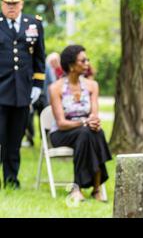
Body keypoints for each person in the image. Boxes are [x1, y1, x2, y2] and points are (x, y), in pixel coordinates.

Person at [49, 45, 112, 202]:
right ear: (71, 65)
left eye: (87, 60)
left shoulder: (92, 86)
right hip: (61, 133)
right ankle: (93, 189)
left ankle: (80, 189)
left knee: (95, 132)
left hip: (84, 133)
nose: (87, 63)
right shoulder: (55, 88)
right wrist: (85, 122)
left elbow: (94, 115)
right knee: (87, 132)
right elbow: (61, 123)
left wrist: (94, 122)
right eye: (83, 60)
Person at [0, 0, 45, 189]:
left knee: (15, 141)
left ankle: (11, 179)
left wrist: (37, 86)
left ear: (22, 3)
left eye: (15, 3)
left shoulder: (33, 24)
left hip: (22, 94)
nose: (11, 7)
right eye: (7, 3)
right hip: (0, 93)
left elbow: (39, 58)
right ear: (1, 3)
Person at [23, 52, 61, 147]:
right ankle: (30, 139)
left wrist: (51, 99)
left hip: (43, 96)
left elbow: (52, 82)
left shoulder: (46, 66)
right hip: (30, 97)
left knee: (44, 118)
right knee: (28, 119)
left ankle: (45, 141)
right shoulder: (27, 63)